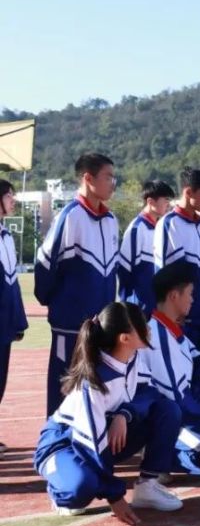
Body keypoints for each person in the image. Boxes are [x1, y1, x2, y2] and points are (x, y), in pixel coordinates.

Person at [34, 302, 183, 522]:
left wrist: (125, 414)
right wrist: (115, 497)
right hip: (66, 443)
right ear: (124, 338)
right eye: (142, 324)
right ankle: (60, 490)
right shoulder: (93, 382)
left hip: (103, 433)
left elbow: (148, 393)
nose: (148, 327)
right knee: (82, 488)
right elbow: (91, 446)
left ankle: (148, 485)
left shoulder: (131, 357)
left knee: (167, 410)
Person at [36, 153, 120, 416]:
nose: (112, 183)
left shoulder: (111, 220)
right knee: (64, 384)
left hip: (101, 325)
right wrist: (58, 304)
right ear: (88, 178)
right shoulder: (70, 216)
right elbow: (45, 264)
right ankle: (56, 444)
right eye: (108, 176)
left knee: (95, 387)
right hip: (70, 323)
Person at [138, 264, 200, 476]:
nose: (192, 299)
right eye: (190, 294)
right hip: (174, 421)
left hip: (186, 415)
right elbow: (175, 397)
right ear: (174, 296)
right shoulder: (157, 335)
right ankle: (166, 456)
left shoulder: (173, 331)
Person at [153, 167, 200, 351]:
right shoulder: (169, 224)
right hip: (184, 320)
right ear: (188, 192)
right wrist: (173, 313)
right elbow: (166, 274)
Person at [118, 180, 175, 316]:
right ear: (150, 202)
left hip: (157, 307)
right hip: (139, 309)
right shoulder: (137, 229)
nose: (169, 204)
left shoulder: (160, 228)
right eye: (165, 200)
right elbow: (124, 272)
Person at [0, 180, 28, 454]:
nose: (13, 200)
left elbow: (12, 283)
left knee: (0, 381)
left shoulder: (6, 236)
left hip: (4, 323)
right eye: (9, 195)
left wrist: (18, 321)